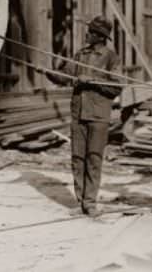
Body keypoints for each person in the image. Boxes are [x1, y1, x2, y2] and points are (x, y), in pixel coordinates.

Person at [46, 16, 121, 216]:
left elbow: (116, 88)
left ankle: (90, 203)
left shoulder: (112, 58)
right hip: (79, 113)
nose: (86, 34)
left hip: (98, 115)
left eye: (90, 32)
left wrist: (92, 80)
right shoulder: (80, 55)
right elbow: (66, 76)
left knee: (94, 159)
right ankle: (81, 203)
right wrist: (49, 73)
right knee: (77, 159)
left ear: (99, 36)